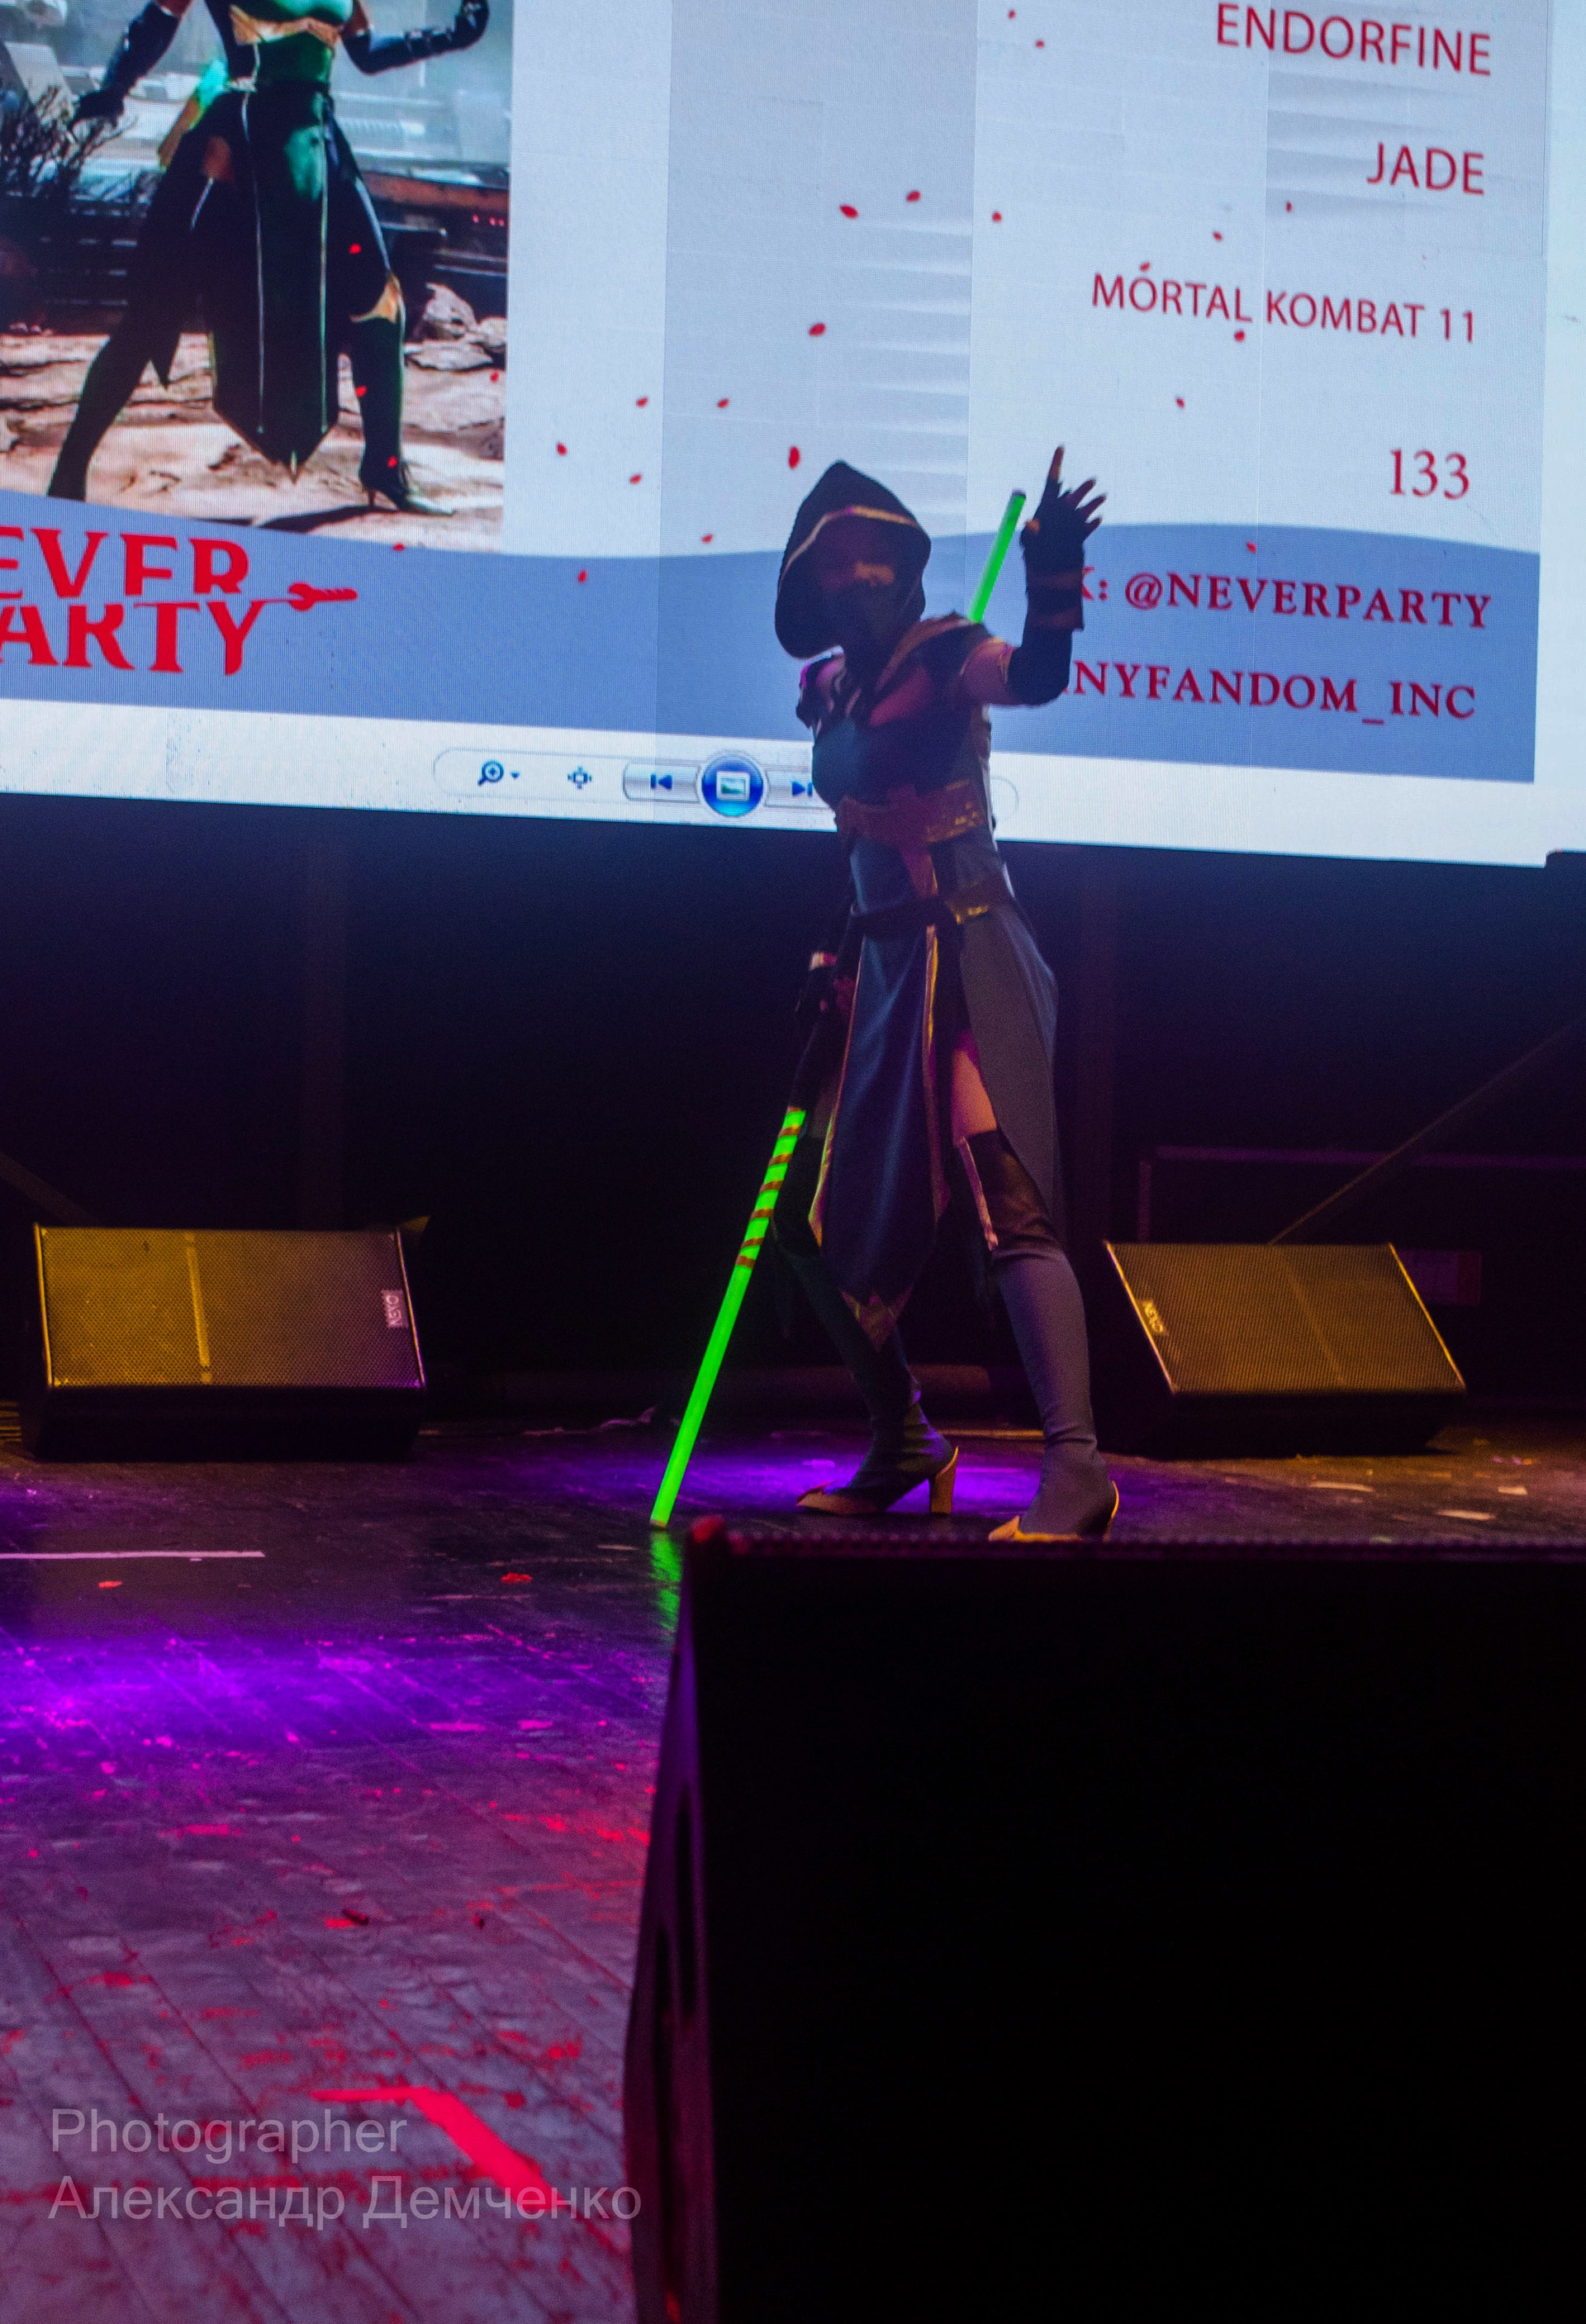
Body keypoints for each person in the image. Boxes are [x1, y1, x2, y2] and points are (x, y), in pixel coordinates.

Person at [772, 450, 1118, 1542]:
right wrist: (835, 960)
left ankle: (1078, 1467)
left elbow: (1037, 675)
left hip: (964, 957)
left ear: (906, 560)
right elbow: (860, 837)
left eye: (871, 552)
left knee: (1006, 1197)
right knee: (808, 1218)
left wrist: (1052, 579)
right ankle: (903, 1435)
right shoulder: (831, 690)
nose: (856, 573)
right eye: (834, 560)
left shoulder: (953, 654)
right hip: (879, 971)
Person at [50, 0, 487, 511]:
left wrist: (451, 37)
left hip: (315, 144)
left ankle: (386, 469)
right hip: (235, 147)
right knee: (153, 311)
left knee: (379, 303)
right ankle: (69, 473)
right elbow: (159, 19)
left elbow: (366, 52)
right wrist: (114, 87)